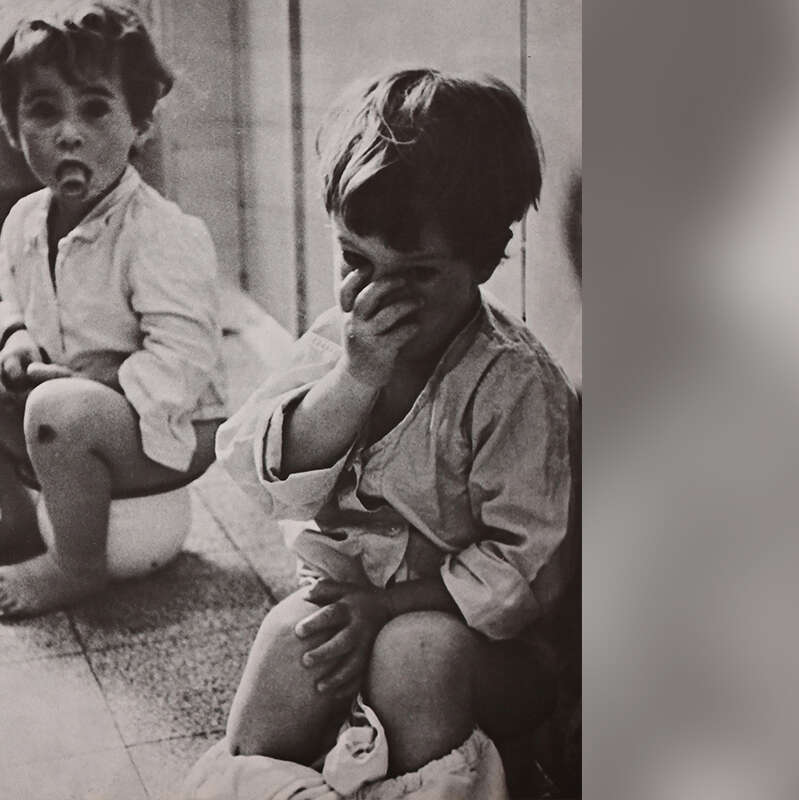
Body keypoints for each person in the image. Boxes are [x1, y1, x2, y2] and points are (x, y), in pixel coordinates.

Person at [209, 68, 579, 793]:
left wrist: (388, 607)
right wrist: (353, 380)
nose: (376, 296)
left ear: (484, 259)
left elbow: (525, 570)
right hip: (352, 606)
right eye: (355, 260)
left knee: (413, 656)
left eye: (415, 275)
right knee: (287, 642)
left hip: (480, 646)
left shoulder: (512, 384)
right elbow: (260, 470)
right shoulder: (337, 343)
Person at [0, 1, 226, 618]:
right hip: (65, 418)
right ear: (12, 127)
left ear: (140, 122)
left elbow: (186, 359)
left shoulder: (161, 234)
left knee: (57, 408)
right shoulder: (24, 222)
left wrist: (101, 382)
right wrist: (15, 338)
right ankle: (20, 519)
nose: (68, 132)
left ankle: (77, 565)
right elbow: (14, 299)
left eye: (94, 108)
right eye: (42, 111)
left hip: (166, 428)